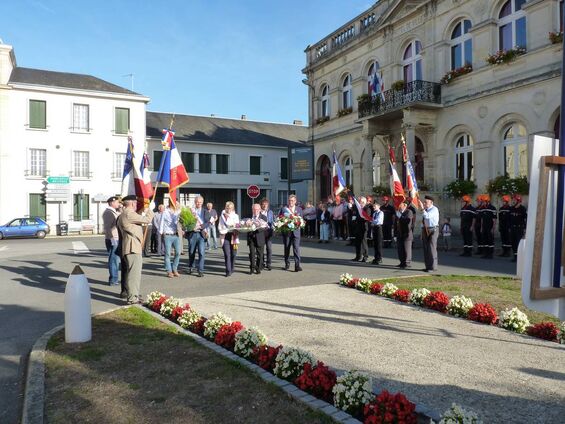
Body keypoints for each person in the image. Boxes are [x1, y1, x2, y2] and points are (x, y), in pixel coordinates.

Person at [116, 195, 152, 304]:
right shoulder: (129, 213)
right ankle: (132, 298)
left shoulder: (125, 214)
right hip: (132, 247)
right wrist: (149, 210)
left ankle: (134, 295)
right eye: (135, 203)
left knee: (134, 274)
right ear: (132, 203)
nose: (137, 205)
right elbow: (146, 220)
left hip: (132, 246)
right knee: (134, 274)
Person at [187, 196, 211, 277]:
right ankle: (191, 266)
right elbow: (186, 222)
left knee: (201, 252)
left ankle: (200, 270)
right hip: (193, 233)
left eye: (200, 202)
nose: (199, 203)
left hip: (201, 234)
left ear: (202, 202)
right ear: (195, 202)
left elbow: (208, 222)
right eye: (197, 202)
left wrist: (201, 226)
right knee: (191, 252)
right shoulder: (191, 211)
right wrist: (191, 227)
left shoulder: (205, 211)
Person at [279, 194, 303, 271]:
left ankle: (297, 265)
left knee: (296, 248)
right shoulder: (284, 209)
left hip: (296, 232)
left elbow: (301, 219)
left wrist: (299, 223)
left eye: (292, 200)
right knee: (287, 248)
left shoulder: (299, 209)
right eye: (289, 200)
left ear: (295, 201)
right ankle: (287, 264)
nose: (291, 202)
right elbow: (280, 219)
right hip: (287, 232)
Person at [102, 196, 121, 286]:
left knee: (116, 260)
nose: (118, 203)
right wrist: (112, 239)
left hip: (115, 238)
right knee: (113, 260)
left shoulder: (113, 212)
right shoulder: (108, 213)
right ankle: (113, 279)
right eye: (117, 202)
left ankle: (114, 278)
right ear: (112, 203)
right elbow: (107, 228)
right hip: (113, 239)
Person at [159, 200, 182, 278]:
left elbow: (181, 223)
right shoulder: (165, 212)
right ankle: (169, 271)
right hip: (168, 235)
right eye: (176, 204)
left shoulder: (179, 212)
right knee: (168, 254)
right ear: (171, 203)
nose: (177, 205)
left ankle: (174, 268)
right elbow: (161, 222)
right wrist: (161, 232)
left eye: (178, 204)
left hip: (176, 235)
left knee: (178, 252)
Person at [418, 195, 439, 272]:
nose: (424, 203)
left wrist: (422, 208)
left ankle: (433, 267)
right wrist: (421, 232)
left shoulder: (434, 209)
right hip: (425, 229)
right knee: (426, 248)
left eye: (426, 202)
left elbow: (428, 216)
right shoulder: (426, 209)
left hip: (433, 229)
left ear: (431, 202)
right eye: (424, 202)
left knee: (431, 248)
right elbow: (423, 221)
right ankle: (428, 266)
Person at [218, 201, 239, 277]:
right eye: (227, 207)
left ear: (233, 208)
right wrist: (223, 231)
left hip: (233, 236)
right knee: (227, 254)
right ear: (225, 207)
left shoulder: (236, 216)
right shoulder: (222, 216)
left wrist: (234, 226)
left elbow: (237, 225)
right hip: (225, 236)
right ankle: (228, 270)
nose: (229, 209)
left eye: (230, 207)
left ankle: (232, 267)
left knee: (233, 254)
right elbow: (219, 227)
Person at [247, 203, 269, 274]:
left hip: (259, 238)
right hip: (251, 237)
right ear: (252, 210)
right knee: (252, 254)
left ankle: (258, 268)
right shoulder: (249, 217)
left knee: (260, 254)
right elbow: (245, 225)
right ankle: (252, 268)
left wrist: (256, 228)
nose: (255, 211)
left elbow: (265, 228)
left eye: (257, 209)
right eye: (254, 209)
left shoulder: (263, 217)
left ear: (259, 210)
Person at [351, 196, 372, 262]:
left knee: (363, 242)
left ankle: (365, 257)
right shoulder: (358, 208)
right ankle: (358, 256)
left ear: (363, 202)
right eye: (358, 201)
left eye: (360, 202)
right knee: (357, 242)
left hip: (364, 227)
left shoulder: (367, 208)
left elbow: (367, 218)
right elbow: (354, 216)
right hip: (357, 227)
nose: (359, 203)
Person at [396, 201, 413, 268]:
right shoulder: (399, 212)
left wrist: (400, 217)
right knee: (400, 249)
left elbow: (407, 221)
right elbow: (396, 223)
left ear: (404, 205)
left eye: (400, 204)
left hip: (406, 233)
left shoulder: (408, 212)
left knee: (406, 250)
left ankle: (407, 263)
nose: (399, 205)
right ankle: (402, 262)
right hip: (399, 233)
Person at [510, 194, 527, 263]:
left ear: (518, 201)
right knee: (513, 242)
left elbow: (525, 219)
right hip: (512, 228)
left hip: (519, 228)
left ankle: (519, 258)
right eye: (513, 199)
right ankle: (515, 256)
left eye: (514, 200)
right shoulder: (511, 208)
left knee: (518, 243)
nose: (513, 201)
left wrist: (525, 229)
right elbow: (509, 218)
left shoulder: (523, 209)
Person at [480, 195, 497, 259]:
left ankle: (490, 254)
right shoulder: (482, 208)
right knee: (484, 240)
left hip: (490, 226)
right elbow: (482, 219)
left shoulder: (492, 208)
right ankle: (485, 253)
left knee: (490, 240)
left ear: (487, 201)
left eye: (484, 201)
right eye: (482, 201)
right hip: (484, 226)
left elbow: (494, 219)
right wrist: (481, 227)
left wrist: (493, 228)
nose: (483, 202)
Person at [259, 198, 274, 270]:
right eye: (263, 204)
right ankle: (261, 263)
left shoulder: (270, 212)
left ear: (268, 205)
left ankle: (269, 263)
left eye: (266, 204)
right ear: (261, 205)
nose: (265, 205)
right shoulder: (258, 212)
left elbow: (272, 221)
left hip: (268, 232)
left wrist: (274, 228)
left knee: (269, 248)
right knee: (261, 249)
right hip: (261, 232)